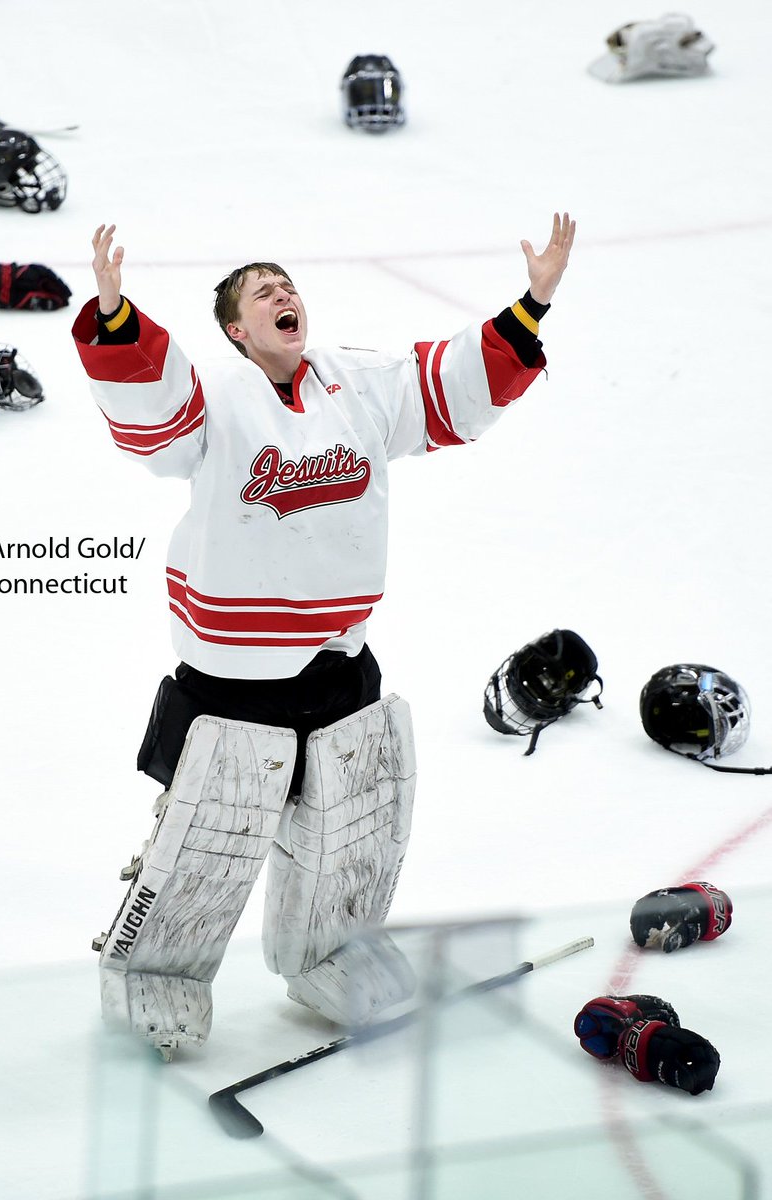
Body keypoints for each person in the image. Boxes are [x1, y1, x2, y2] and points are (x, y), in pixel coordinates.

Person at [73, 214, 576, 1058]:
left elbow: (449, 388)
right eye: (259, 291)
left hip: (340, 657)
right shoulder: (215, 398)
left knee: (353, 829)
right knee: (212, 839)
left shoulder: (359, 384)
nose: (281, 295)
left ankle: (331, 953)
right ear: (236, 328)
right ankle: (155, 971)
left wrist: (531, 305)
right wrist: (119, 318)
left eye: (286, 285)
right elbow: (153, 422)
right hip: (233, 672)